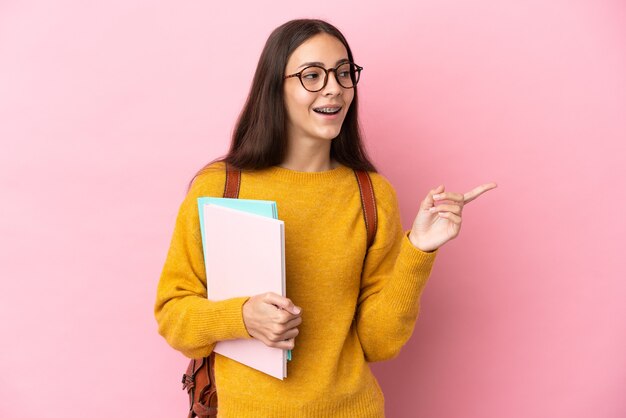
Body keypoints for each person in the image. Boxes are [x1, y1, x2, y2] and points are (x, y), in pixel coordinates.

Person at [155, 18, 496, 417]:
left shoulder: (371, 194)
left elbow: (379, 344)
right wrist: (241, 317)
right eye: (312, 75)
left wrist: (418, 250)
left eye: (344, 73)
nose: (334, 87)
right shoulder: (219, 188)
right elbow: (173, 316)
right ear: (274, 88)